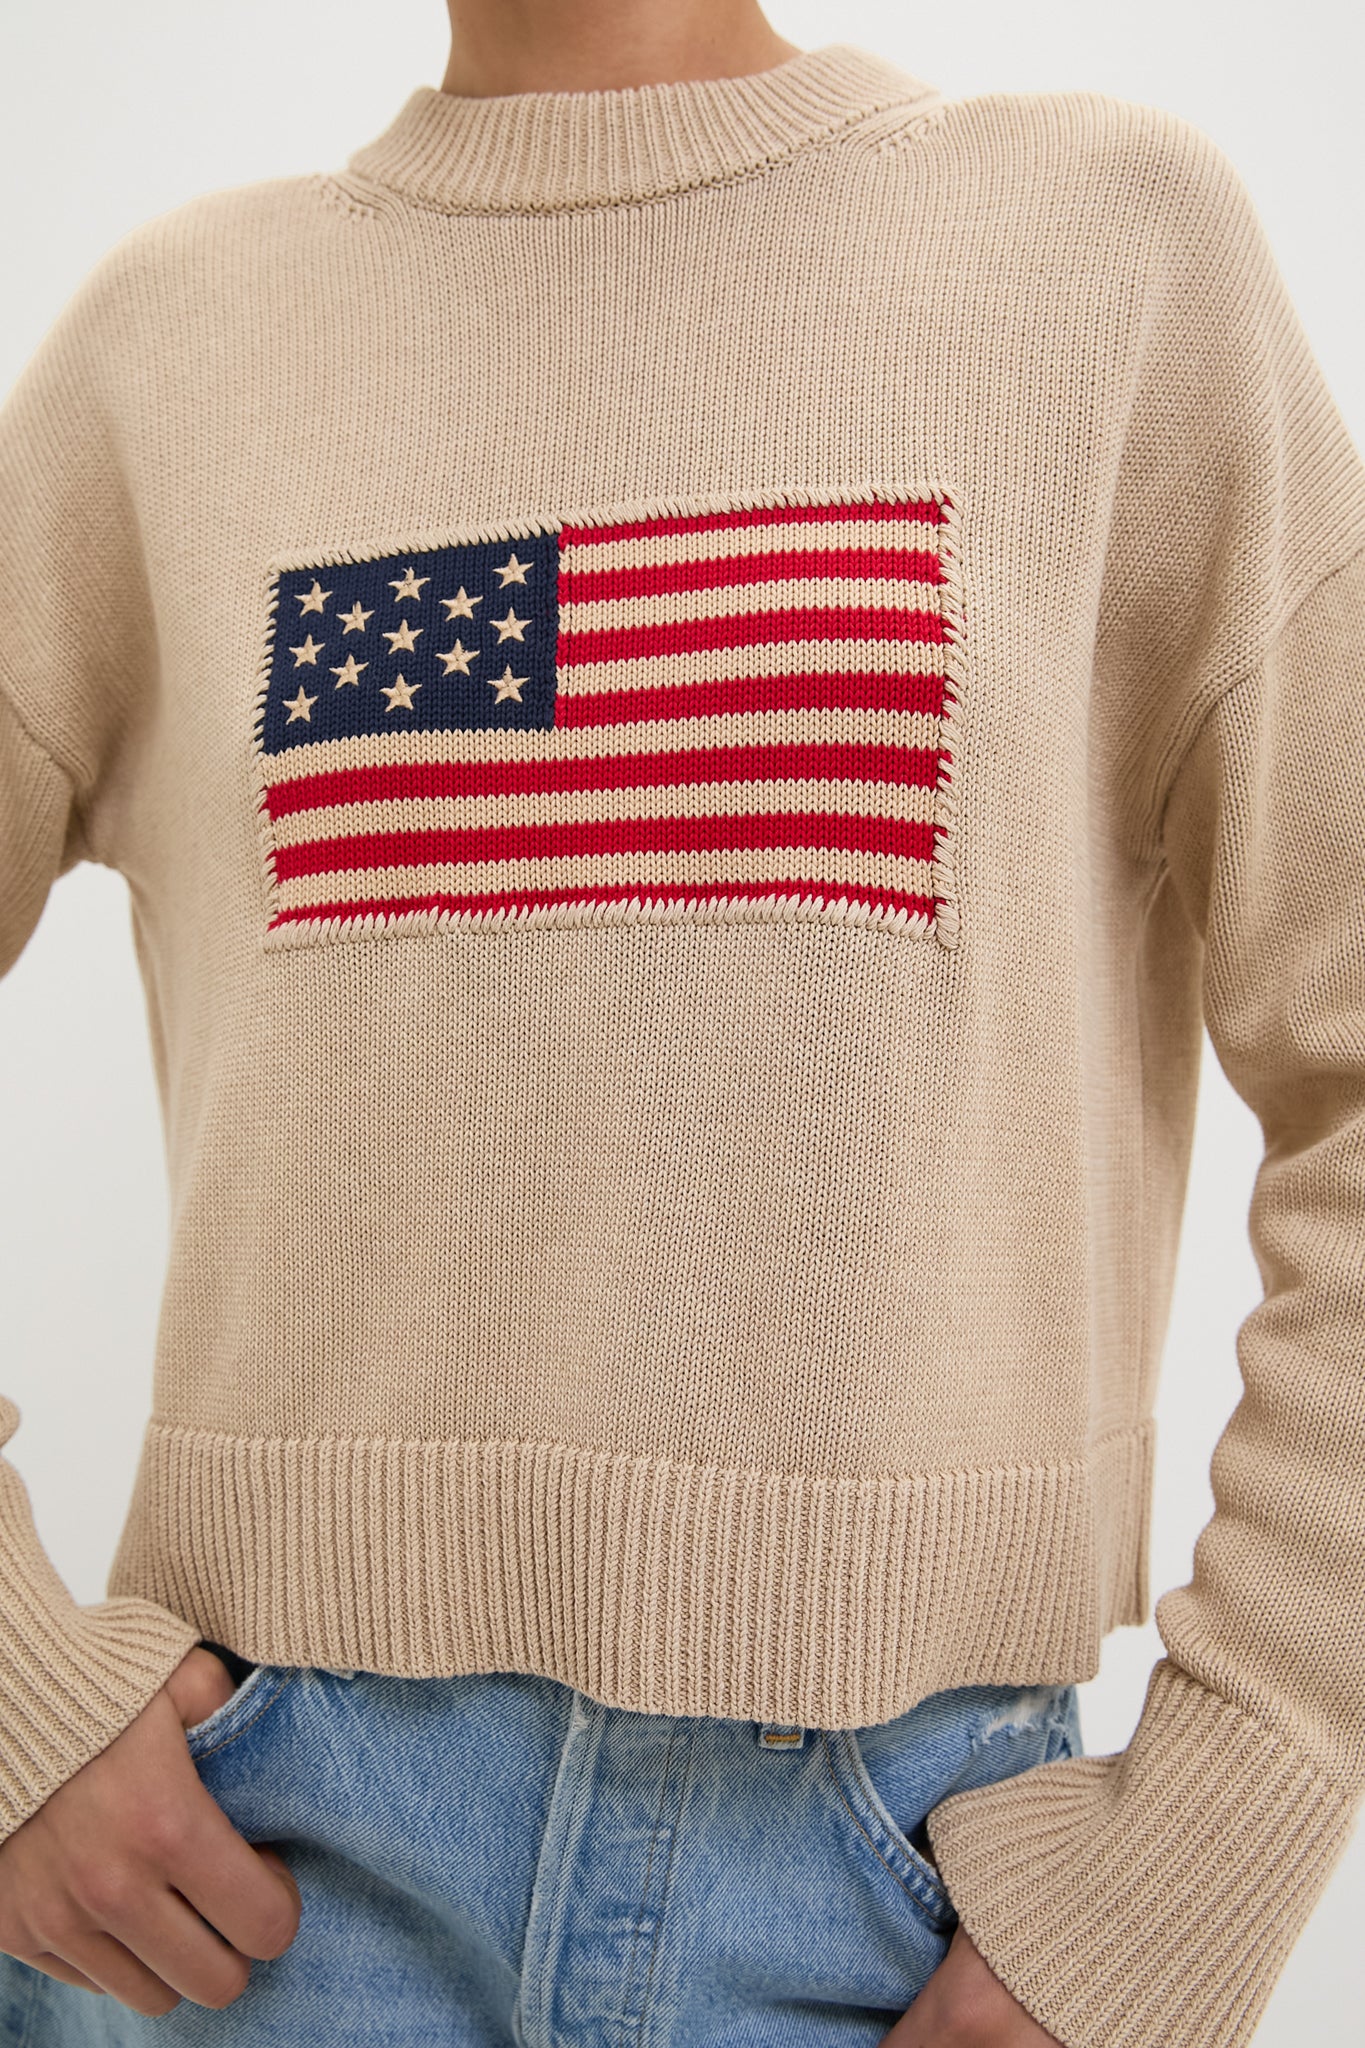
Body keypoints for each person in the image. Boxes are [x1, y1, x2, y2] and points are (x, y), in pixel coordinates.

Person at [1, 0, 1364, 2041]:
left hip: (900, 1896)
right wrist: (14, 1695)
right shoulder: (166, 348)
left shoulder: (1106, 252)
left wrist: (1202, 1849)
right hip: (245, 1881)